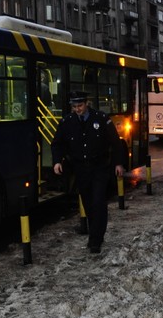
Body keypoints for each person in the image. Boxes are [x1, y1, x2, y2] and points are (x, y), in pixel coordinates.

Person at [51, 91, 126, 253]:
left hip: (99, 167)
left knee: (99, 202)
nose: (77, 109)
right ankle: (96, 233)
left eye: (80, 105)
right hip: (80, 169)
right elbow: (57, 143)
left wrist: (118, 163)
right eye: (74, 106)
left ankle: (95, 240)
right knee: (88, 204)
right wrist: (57, 161)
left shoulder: (100, 118)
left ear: (87, 103)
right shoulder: (67, 122)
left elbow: (115, 142)